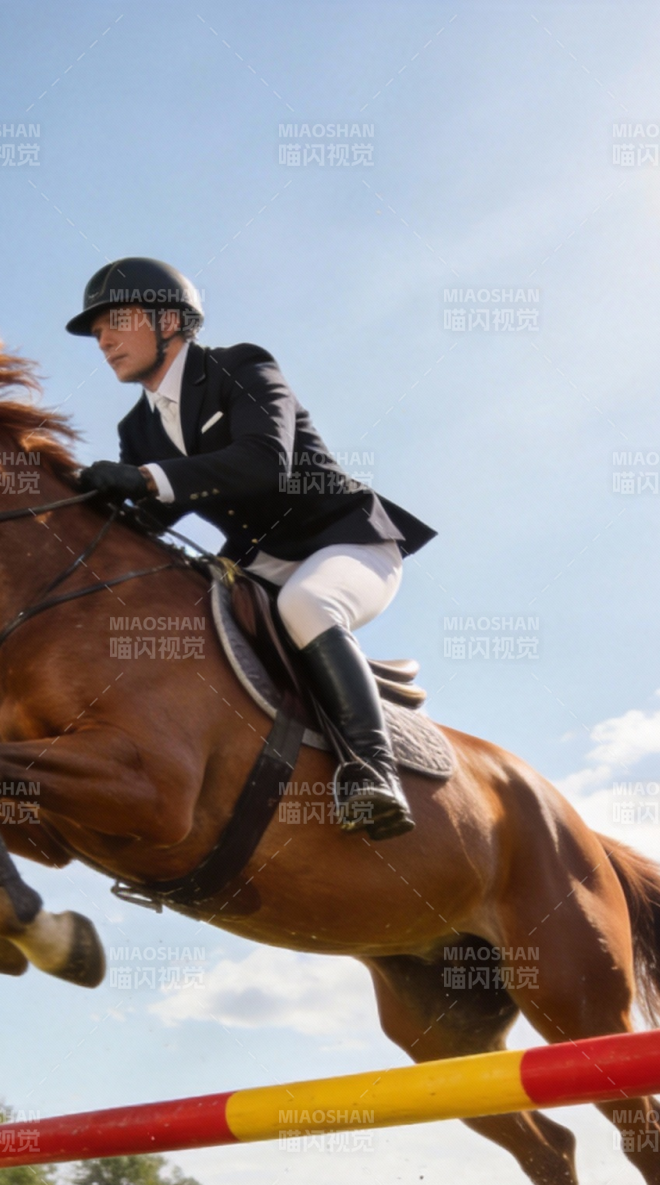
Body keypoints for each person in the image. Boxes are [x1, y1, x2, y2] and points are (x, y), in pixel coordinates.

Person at [69, 257, 437, 839]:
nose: (103, 339)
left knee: (308, 606)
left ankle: (372, 770)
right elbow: (156, 513)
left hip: (346, 539)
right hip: (259, 559)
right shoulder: (136, 430)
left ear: (170, 321)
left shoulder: (240, 366)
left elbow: (265, 462)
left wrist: (142, 479)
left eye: (116, 320)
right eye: (96, 332)